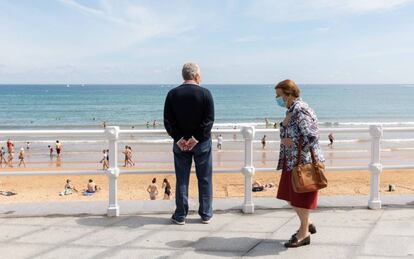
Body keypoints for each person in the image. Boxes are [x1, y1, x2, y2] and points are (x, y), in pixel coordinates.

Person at [274, 79, 325, 248]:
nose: (277, 99)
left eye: (279, 95)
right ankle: (307, 223)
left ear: (288, 95)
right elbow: (288, 130)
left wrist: (292, 142)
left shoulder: (301, 110)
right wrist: (285, 133)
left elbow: (312, 136)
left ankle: (303, 234)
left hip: (302, 164)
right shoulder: (291, 110)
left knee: (300, 199)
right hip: (292, 161)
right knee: (290, 197)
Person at [163, 62, 214, 225]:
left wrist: (180, 139)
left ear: (183, 76)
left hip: (180, 145)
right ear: (197, 76)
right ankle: (205, 213)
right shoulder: (206, 93)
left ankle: (180, 214)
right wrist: (195, 139)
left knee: (182, 178)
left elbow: (168, 121)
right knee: (204, 178)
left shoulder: (172, 94)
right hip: (202, 143)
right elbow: (209, 120)